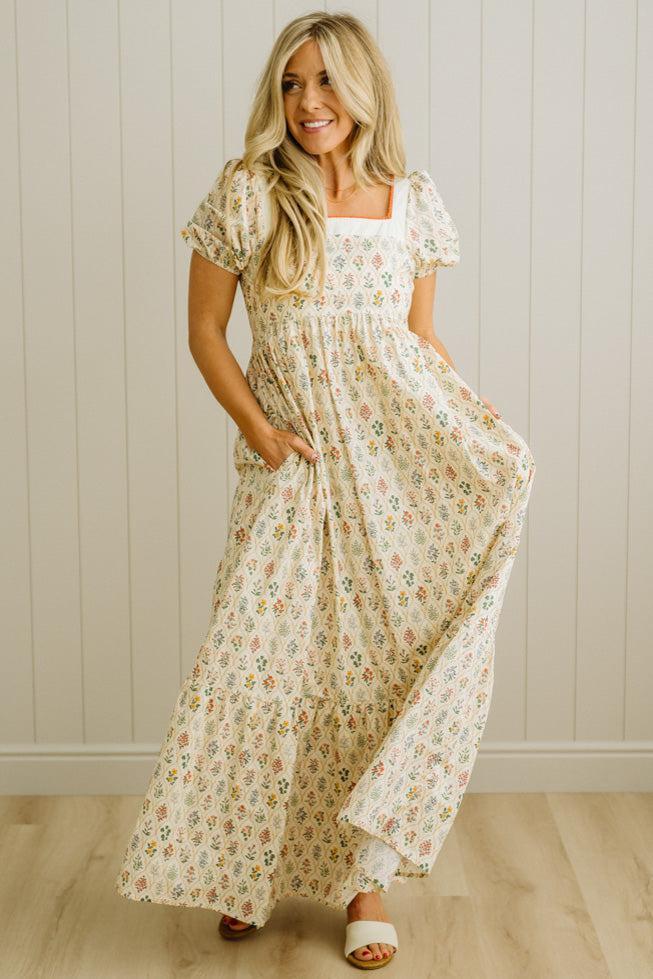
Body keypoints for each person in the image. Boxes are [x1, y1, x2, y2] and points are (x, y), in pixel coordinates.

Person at [114, 10, 536, 971]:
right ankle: (237, 866)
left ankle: (362, 885)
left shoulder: (410, 202)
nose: (308, 102)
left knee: (366, 675)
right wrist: (261, 434)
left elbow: (418, 343)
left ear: (363, 90)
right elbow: (206, 333)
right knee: (259, 668)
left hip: (393, 469)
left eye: (326, 82)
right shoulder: (249, 195)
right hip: (294, 468)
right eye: (292, 84)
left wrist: (466, 413)